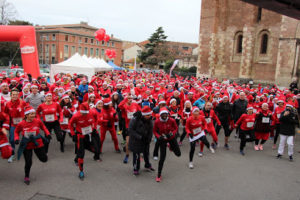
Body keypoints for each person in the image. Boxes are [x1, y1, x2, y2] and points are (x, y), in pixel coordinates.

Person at [14, 107, 50, 185]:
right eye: (31, 114)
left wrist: (47, 134)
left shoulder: (37, 121)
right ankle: (26, 176)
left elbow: (43, 127)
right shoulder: (21, 123)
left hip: (37, 143)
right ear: (26, 115)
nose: (33, 115)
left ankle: (44, 155)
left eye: (34, 114)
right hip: (27, 144)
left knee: (44, 159)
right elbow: (16, 131)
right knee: (28, 162)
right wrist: (16, 139)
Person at [69, 102, 101, 180]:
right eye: (83, 113)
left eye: (86, 113)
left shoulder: (92, 112)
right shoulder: (76, 116)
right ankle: (81, 171)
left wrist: (94, 128)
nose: (84, 115)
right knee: (81, 154)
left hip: (90, 133)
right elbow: (70, 124)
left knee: (97, 149)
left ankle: (87, 151)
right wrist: (73, 134)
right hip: (80, 135)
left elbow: (97, 119)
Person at [153, 107, 181, 182]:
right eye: (163, 114)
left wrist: (172, 133)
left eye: (166, 114)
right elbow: (155, 131)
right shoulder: (157, 122)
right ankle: (159, 175)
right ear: (160, 115)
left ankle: (171, 147)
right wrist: (159, 137)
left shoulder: (171, 120)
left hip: (171, 138)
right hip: (163, 139)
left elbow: (176, 128)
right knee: (162, 158)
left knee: (178, 154)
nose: (165, 115)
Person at [128, 106, 154, 175]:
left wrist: (149, 138)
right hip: (136, 140)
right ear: (144, 115)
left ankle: (147, 165)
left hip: (145, 140)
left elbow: (151, 130)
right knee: (136, 156)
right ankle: (136, 168)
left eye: (150, 115)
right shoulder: (135, 119)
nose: (149, 116)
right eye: (148, 115)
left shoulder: (150, 120)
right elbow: (130, 130)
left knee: (146, 153)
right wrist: (140, 137)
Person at [4, 89, 28, 162]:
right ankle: (12, 154)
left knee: (27, 138)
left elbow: (29, 108)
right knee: (11, 139)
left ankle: (26, 152)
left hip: (23, 123)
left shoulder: (22, 102)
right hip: (13, 124)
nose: (15, 96)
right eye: (13, 95)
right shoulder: (8, 104)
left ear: (18, 95)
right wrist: (6, 123)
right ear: (10, 96)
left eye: (16, 94)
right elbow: (6, 113)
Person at [118, 95, 141, 163]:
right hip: (128, 126)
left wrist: (138, 115)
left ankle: (139, 153)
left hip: (136, 125)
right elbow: (119, 106)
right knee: (128, 142)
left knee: (138, 141)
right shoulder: (124, 105)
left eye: (130, 98)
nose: (129, 99)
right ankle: (127, 155)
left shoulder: (135, 104)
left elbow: (140, 112)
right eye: (128, 98)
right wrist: (125, 100)